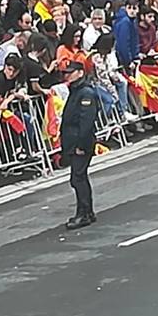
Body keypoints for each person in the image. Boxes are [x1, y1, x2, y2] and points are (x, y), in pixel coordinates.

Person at [59, 60, 98, 230]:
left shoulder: (85, 93)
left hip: (80, 142)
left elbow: (86, 122)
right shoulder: (76, 91)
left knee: (78, 178)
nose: (67, 75)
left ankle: (84, 213)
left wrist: (81, 144)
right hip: (73, 141)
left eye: (70, 72)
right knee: (79, 177)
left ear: (80, 73)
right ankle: (87, 211)